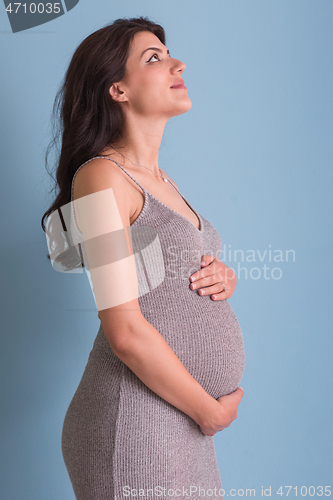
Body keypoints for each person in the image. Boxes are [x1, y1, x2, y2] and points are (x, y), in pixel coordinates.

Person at [41, 16, 245, 500]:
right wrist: (208, 411)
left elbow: (161, 279)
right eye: (153, 58)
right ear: (117, 90)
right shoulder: (100, 177)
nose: (178, 63)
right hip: (134, 419)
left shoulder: (162, 181)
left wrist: (221, 278)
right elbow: (125, 330)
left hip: (176, 419)